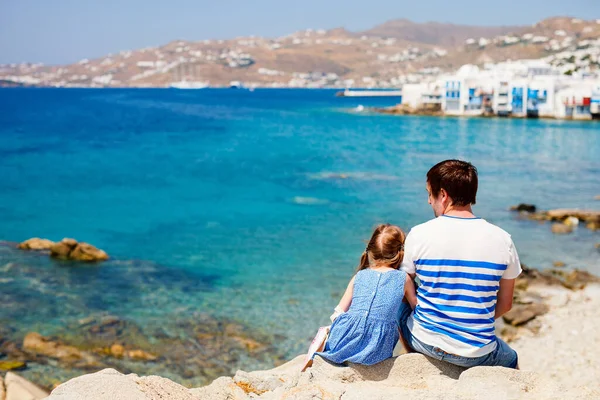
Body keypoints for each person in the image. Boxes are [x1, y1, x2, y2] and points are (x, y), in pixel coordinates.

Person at [399, 159, 521, 369]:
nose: (429, 201)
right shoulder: (503, 239)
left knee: (398, 286)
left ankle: (411, 357)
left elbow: (402, 282)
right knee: (511, 358)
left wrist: (417, 306)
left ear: (443, 195)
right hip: (477, 353)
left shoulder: (419, 233)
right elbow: (506, 303)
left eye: (430, 193)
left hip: (424, 342)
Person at [316, 224, 417, 365]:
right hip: (377, 349)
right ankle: (411, 351)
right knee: (402, 310)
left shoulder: (360, 275)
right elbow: (415, 307)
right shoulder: (404, 278)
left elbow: (339, 311)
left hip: (342, 341)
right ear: (401, 252)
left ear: (371, 251)